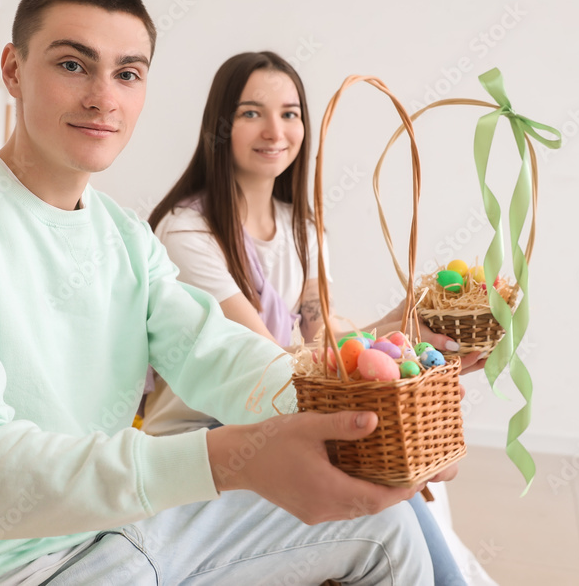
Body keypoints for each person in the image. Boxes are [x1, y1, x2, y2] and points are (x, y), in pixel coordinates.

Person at [0, 0, 437, 585]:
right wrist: (224, 461)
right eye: (73, 65)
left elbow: (218, 353)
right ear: (13, 70)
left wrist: (365, 409)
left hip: (116, 528)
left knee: (387, 527)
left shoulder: (125, 236)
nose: (104, 97)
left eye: (127, 73)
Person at [142, 51, 475, 585]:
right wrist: (380, 351)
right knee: (384, 485)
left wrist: (403, 329)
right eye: (252, 113)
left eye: (291, 113)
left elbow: (324, 333)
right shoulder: (188, 234)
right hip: (213, 424)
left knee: (407, 473)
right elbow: (264, 362)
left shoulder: (303, 226)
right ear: (221, 126)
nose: (276, 130)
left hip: (283, 403)